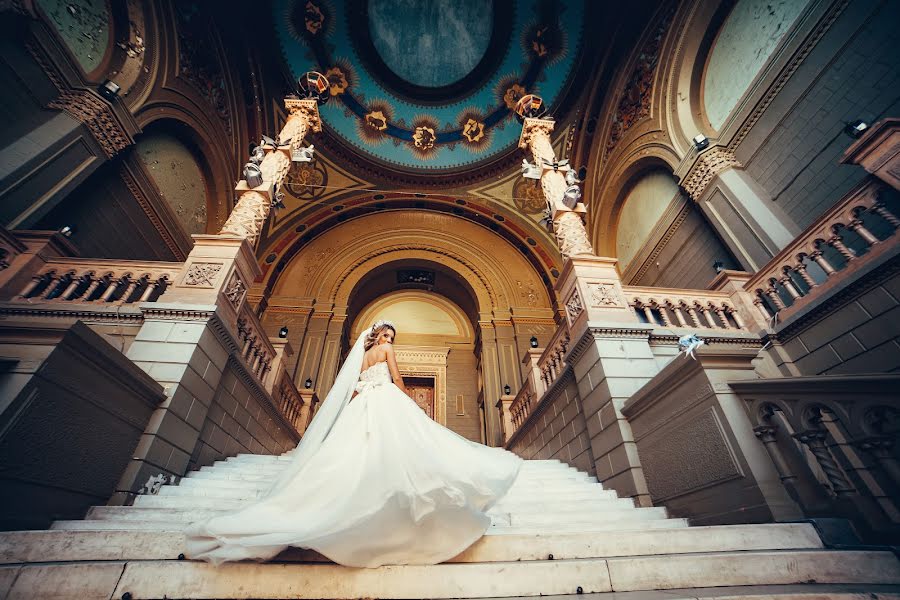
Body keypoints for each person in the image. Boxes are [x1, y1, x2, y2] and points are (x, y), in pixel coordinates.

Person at [184, 319, 522, 567]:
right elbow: (398, 377)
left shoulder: (360, 357)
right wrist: (409, 400)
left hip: (363, 402)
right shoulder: (387, 349)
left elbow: (355, 387)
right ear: (386, 335)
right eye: (390, 334)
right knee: (403, 448)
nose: (389, 339)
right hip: (386, 399)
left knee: (357, 452)